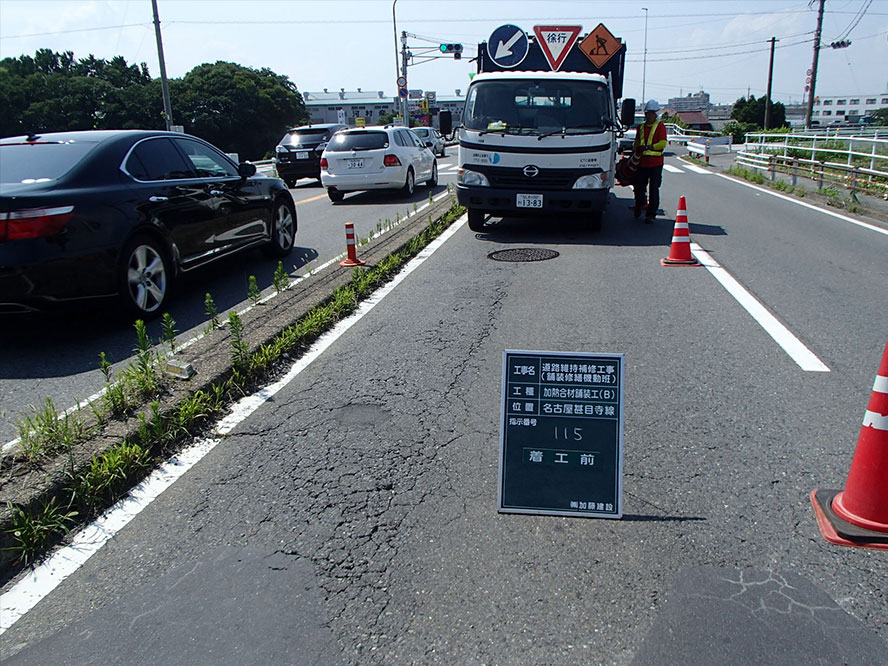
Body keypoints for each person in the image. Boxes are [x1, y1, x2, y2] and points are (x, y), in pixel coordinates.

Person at [633, 100, 667, 224]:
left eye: (651, 113)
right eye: (647, 113)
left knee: (654, 189)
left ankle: (651, 214)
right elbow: (637, 143)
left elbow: (662, 143)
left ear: (655, 114)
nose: (649, 116)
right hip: (642, 163)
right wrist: (635, 152)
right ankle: (639, 205)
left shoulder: (660, 126)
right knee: (639, 187)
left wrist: (649, 147)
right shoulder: (640, 127)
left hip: (655, 163)